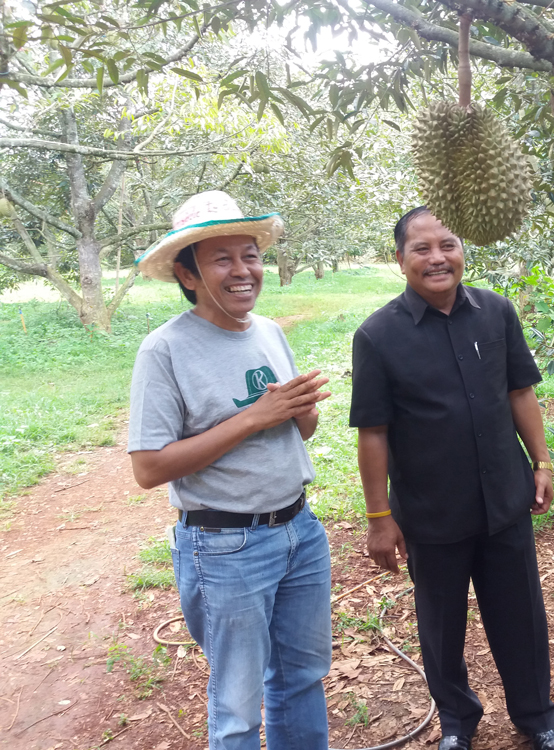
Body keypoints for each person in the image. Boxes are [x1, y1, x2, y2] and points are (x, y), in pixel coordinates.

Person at [349, 207, 554, 750]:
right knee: (441, 628)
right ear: (400, 259)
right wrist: (379, 518)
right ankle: (457, 721)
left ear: (463, 250)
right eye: (421, 249)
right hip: (431, 510)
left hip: (504, 500)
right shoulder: (377, 336)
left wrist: (540, 462)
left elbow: (520, 391)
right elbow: (372, 434)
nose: (437, 257)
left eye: (447, 244)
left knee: (521, 617)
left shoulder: (495, 312)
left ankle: (536, 717)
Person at [127, 190, 333, 750]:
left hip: (300, 531)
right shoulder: (165, 350)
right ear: (187, 275)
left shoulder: (269, 332)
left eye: (251, 255)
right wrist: (253, 417)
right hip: (225, 547)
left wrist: (301, 413)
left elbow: (294, 433)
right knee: (239, 707)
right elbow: (149, 468)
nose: (244, 270)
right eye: (223, 259)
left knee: (303, 679)